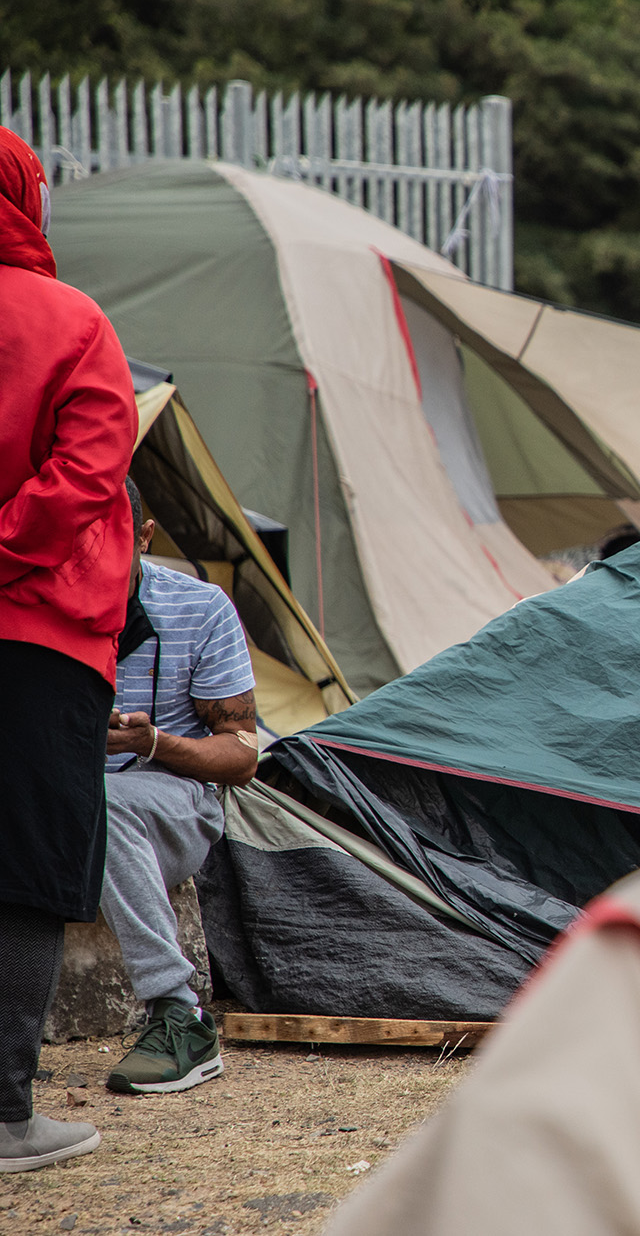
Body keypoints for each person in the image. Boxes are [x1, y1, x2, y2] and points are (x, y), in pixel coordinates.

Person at [0, 127, 136, 1172]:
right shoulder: (70, 320)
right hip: (42, 632)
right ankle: (4, 1113)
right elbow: (89, 470)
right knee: (27, 866)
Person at [100, 480, 258, 1094]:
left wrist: (153, 742)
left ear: (145, 536)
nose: (96, 558)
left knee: (103, 803)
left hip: (173, 800)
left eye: (113, 539)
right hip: (52, 801)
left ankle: (179, 1015)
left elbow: (242, 755)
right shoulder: (34, 601)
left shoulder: (201, 607)